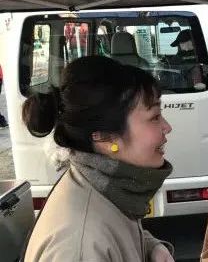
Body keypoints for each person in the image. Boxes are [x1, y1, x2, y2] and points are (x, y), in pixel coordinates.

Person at [23, 56, 175, 262]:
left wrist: (152, 248)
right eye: (155, 116)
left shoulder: (107, 186)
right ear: (105, 138)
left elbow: (114, 229)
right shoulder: (79, 247)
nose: (167, 127)